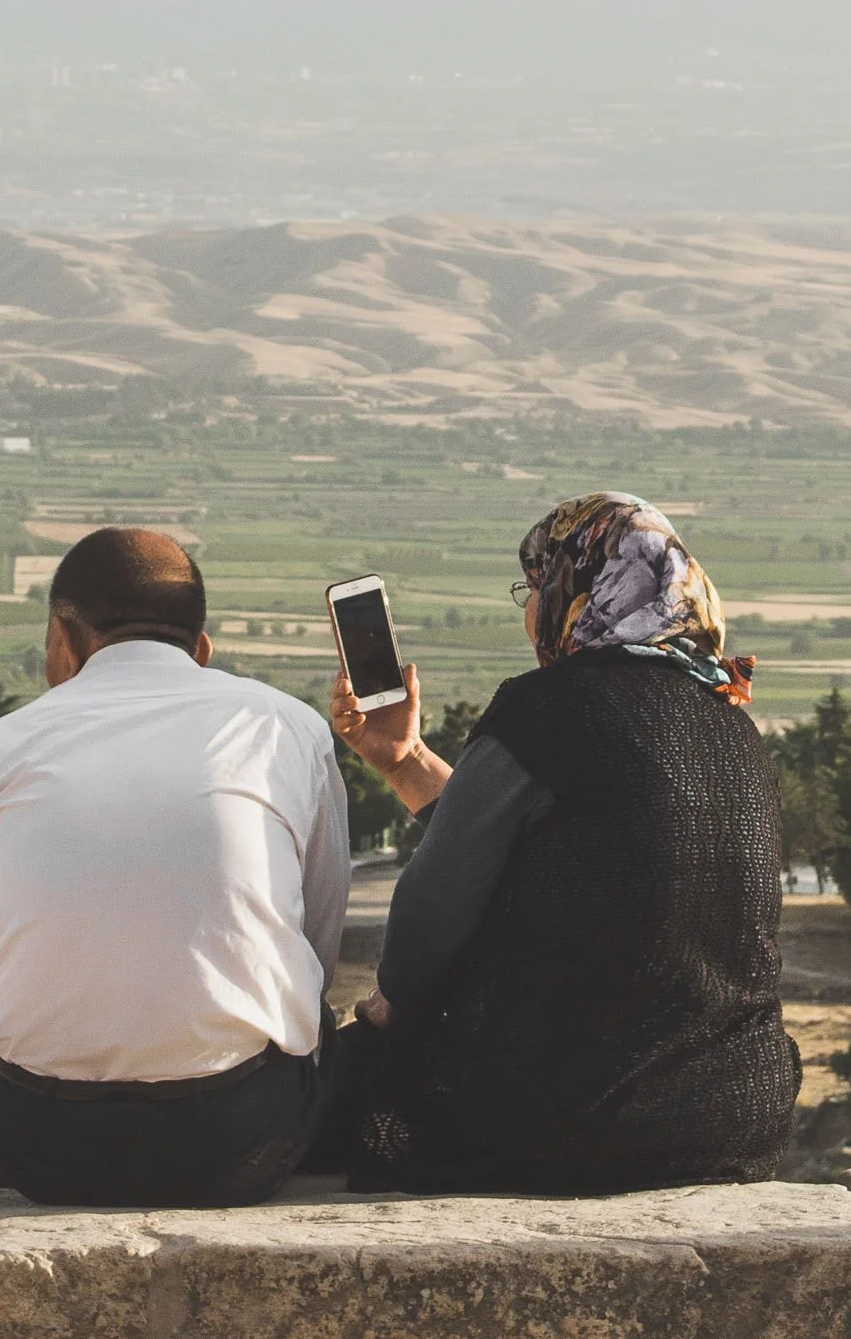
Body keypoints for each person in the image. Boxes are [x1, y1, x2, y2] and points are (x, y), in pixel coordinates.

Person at [327, 492, 799, 1194]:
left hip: (579, 1119)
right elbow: (544, 846)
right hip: (738, 1114)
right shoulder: (731, 722)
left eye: (536, 586)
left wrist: (393, 1008)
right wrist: (405, 762)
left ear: (576, 591)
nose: (528, 612)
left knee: (317, 1094)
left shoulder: (551, 709)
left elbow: (435, 907)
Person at [0, 527, 349, 1207]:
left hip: (36, 1144)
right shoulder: (285, 728)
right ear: (202, 651)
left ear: (64, 638)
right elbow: (317, 945)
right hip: (232, 1143)